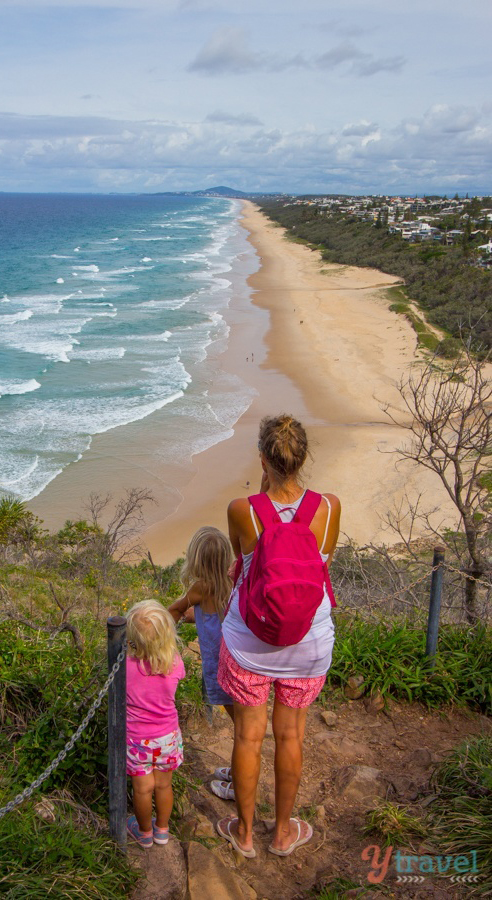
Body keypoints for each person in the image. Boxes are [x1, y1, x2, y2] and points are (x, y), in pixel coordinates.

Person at [216, 414, 341, 858]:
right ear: (303, 459)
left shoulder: (241, 510)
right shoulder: (328, 507)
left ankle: (246, 834)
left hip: (251, 641)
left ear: (262, 460)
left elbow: (242, 565)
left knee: (248, 738)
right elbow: (322, 564)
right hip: (308, 641)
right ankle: (283, 831)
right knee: (291, 737)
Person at [168, 526, 236, 800]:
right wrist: (195, 616)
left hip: (219, 665)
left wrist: (165, 630)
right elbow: (216, 616)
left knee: (242, 728)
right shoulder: (232, 582)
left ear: (196, 559)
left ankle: (240, 782)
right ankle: (237, 769)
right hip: (239, 659)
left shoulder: (201, 587)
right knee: (241, 723)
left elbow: (175, 608)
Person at [126, 599, 185, 848]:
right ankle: (162, 830)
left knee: (142, 790)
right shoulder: (174, 663)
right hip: (168, 737)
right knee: (163, 786)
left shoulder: (126, 667)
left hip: (137, 739)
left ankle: (144, 833)